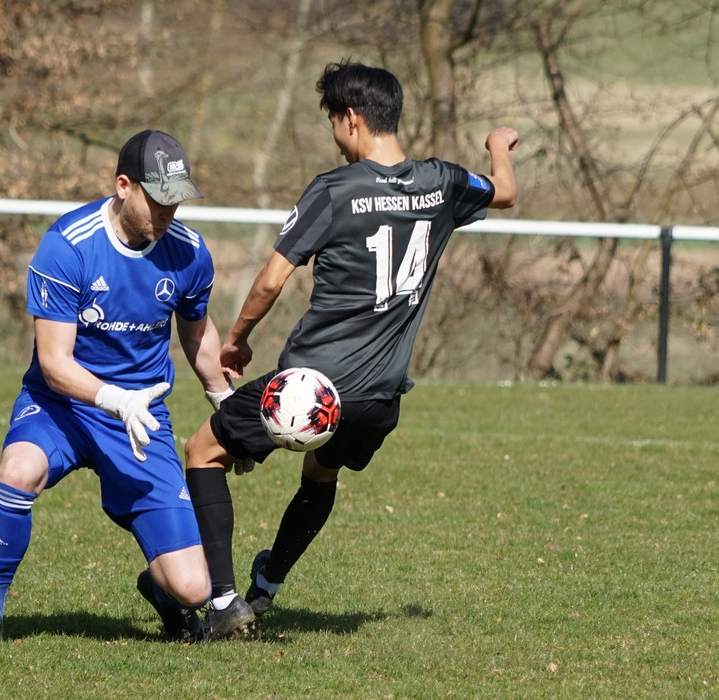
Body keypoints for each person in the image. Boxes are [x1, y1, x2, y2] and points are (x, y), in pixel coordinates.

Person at [184, 61, 519, 639]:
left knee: (200, 451)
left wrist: (237, 339)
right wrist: (496, 145)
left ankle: (222, 602)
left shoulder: (334, 190)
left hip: (312, 388)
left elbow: (270, 280)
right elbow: (506, 192)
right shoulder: (441, 182)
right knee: (320, 474)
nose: (334, 135)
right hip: (379, 398)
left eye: (333, 122)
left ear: (352, 119)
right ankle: (267, 585)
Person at [0, 129, 237, 644]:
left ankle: (161, 592)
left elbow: (198, 335)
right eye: (158, 199)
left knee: (194, 588)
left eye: (177, 201)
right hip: (59, 406)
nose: (168, 213)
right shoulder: (68, 246)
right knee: (18, 471)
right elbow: (54, 363)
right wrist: (114, 399)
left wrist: (225, 403)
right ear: (124, 186)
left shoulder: (190, 253)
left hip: (141, 418)